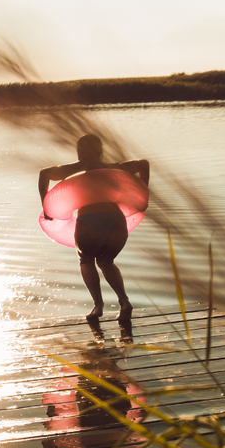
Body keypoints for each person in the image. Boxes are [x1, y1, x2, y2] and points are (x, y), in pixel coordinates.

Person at [38, 134, 149, 322]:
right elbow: (143, 164)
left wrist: (46, 205)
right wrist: (143, 192)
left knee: (86, 261)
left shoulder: (76, 168)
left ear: (79, 152)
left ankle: (98, 306)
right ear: (100, 151)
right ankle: (124, 301)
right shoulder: (114, 167)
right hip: (116, 220)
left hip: (89, 220)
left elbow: (44, 174)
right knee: (107, 261)